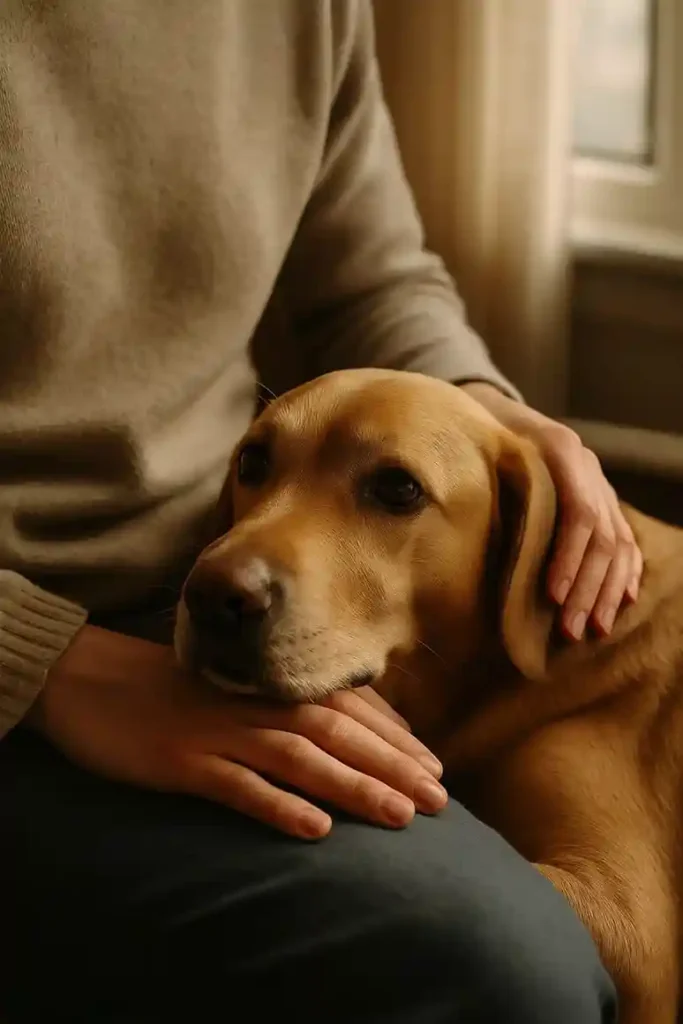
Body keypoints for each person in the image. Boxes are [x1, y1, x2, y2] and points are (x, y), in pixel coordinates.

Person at [0, 2, 636, 1021]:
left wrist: (487, 420)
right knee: (498, 969)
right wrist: (43, 662)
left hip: (197, 601)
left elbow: (369, 284)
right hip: (39, 670)